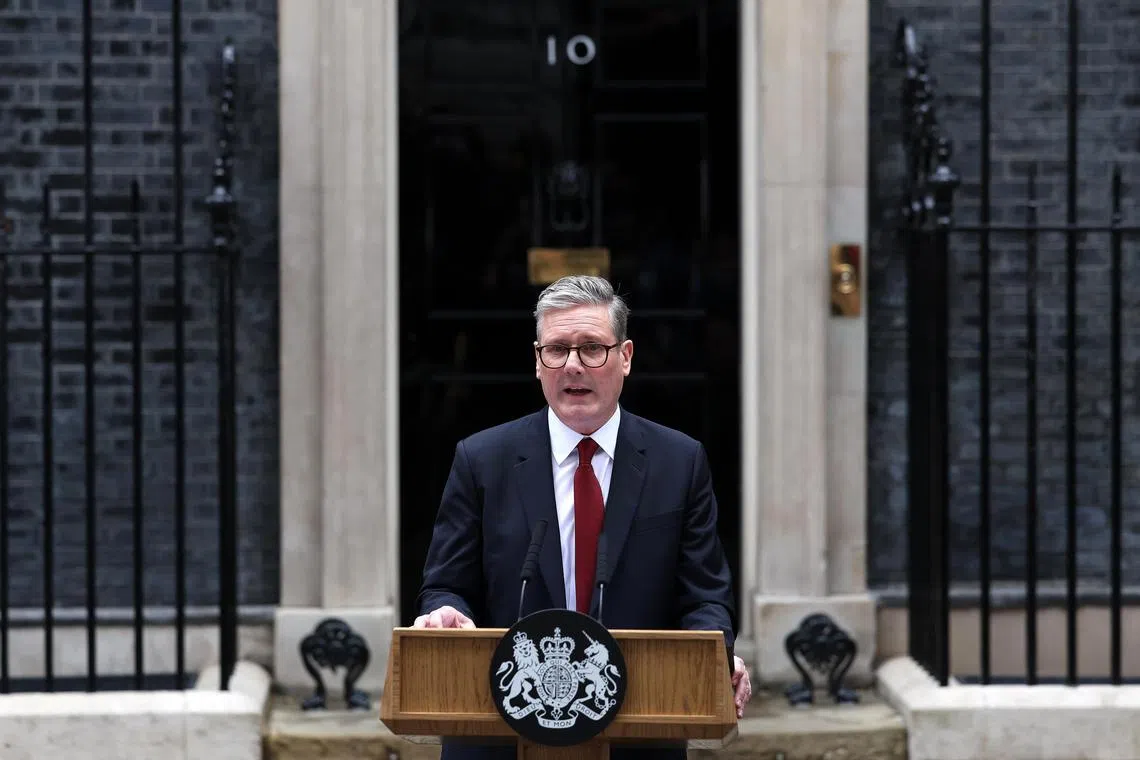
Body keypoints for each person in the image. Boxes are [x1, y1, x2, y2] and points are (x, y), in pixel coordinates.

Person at [415, 275, 752, 759]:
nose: (573, 365)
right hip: (499, 733)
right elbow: (446, 585)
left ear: (626, 357)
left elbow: (705, 596)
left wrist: (711, 655)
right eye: (556, 350)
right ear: (538, 362)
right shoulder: (482, 460)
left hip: (640, 729)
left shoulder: (679, 462)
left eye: (592, 348)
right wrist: (447, 613)